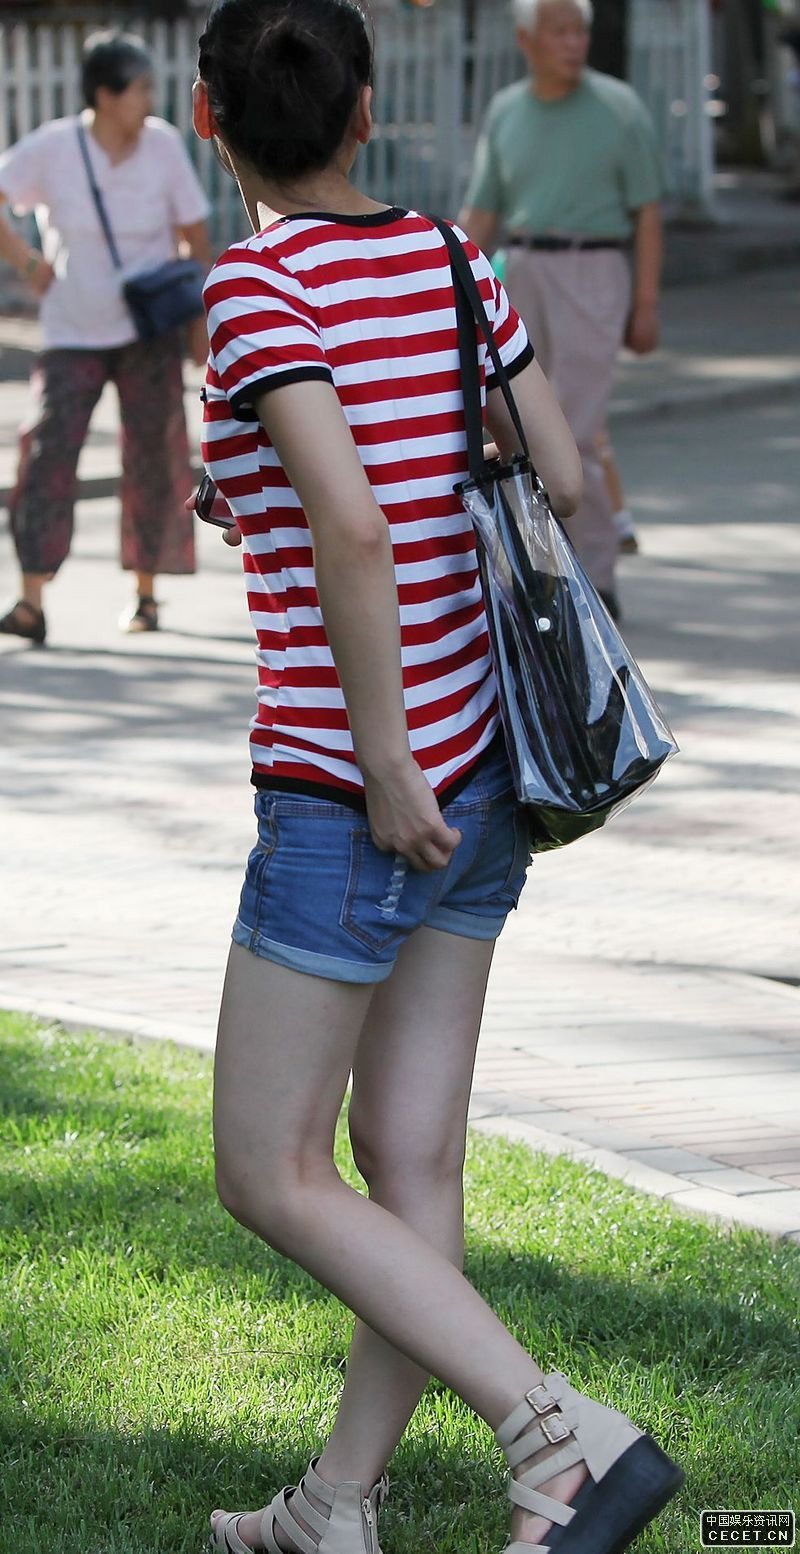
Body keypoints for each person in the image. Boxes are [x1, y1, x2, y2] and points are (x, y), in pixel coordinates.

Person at [192, 2, 683, 1552]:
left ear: (211, 120)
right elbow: (556, 469)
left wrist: (388, 760)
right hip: (488, 777)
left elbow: (352, 523)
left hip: (362, 785)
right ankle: (339, 1503)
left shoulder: (256, 287)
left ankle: (558, 1438)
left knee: (266, 1165)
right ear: (366, 113)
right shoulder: (454, 262)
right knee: (411, 1163)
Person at [0, 29, 212, 645]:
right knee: (46, 453)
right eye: (140, 87)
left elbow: (195, 237)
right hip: (72, 329)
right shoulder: (54, 147)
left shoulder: (162, 146)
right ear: (105, 94)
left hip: (147, 330)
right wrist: (27, 262)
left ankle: (145, 595)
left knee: (154, 457)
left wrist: (198, 325)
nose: (150, 98)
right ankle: (31, 599)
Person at [458, 0, 662, 618]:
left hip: (593, 268)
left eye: (580, 32)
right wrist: (450, 288)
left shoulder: (619, 109)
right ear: (526, 39)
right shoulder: (507, 110)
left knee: (573, 429)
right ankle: (539, 569)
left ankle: (594, 576)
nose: (574, 42)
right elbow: (482, 211)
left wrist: (645, 304)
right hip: (521, 269)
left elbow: (648, 212)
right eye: (560, 31)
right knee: (518, 427)